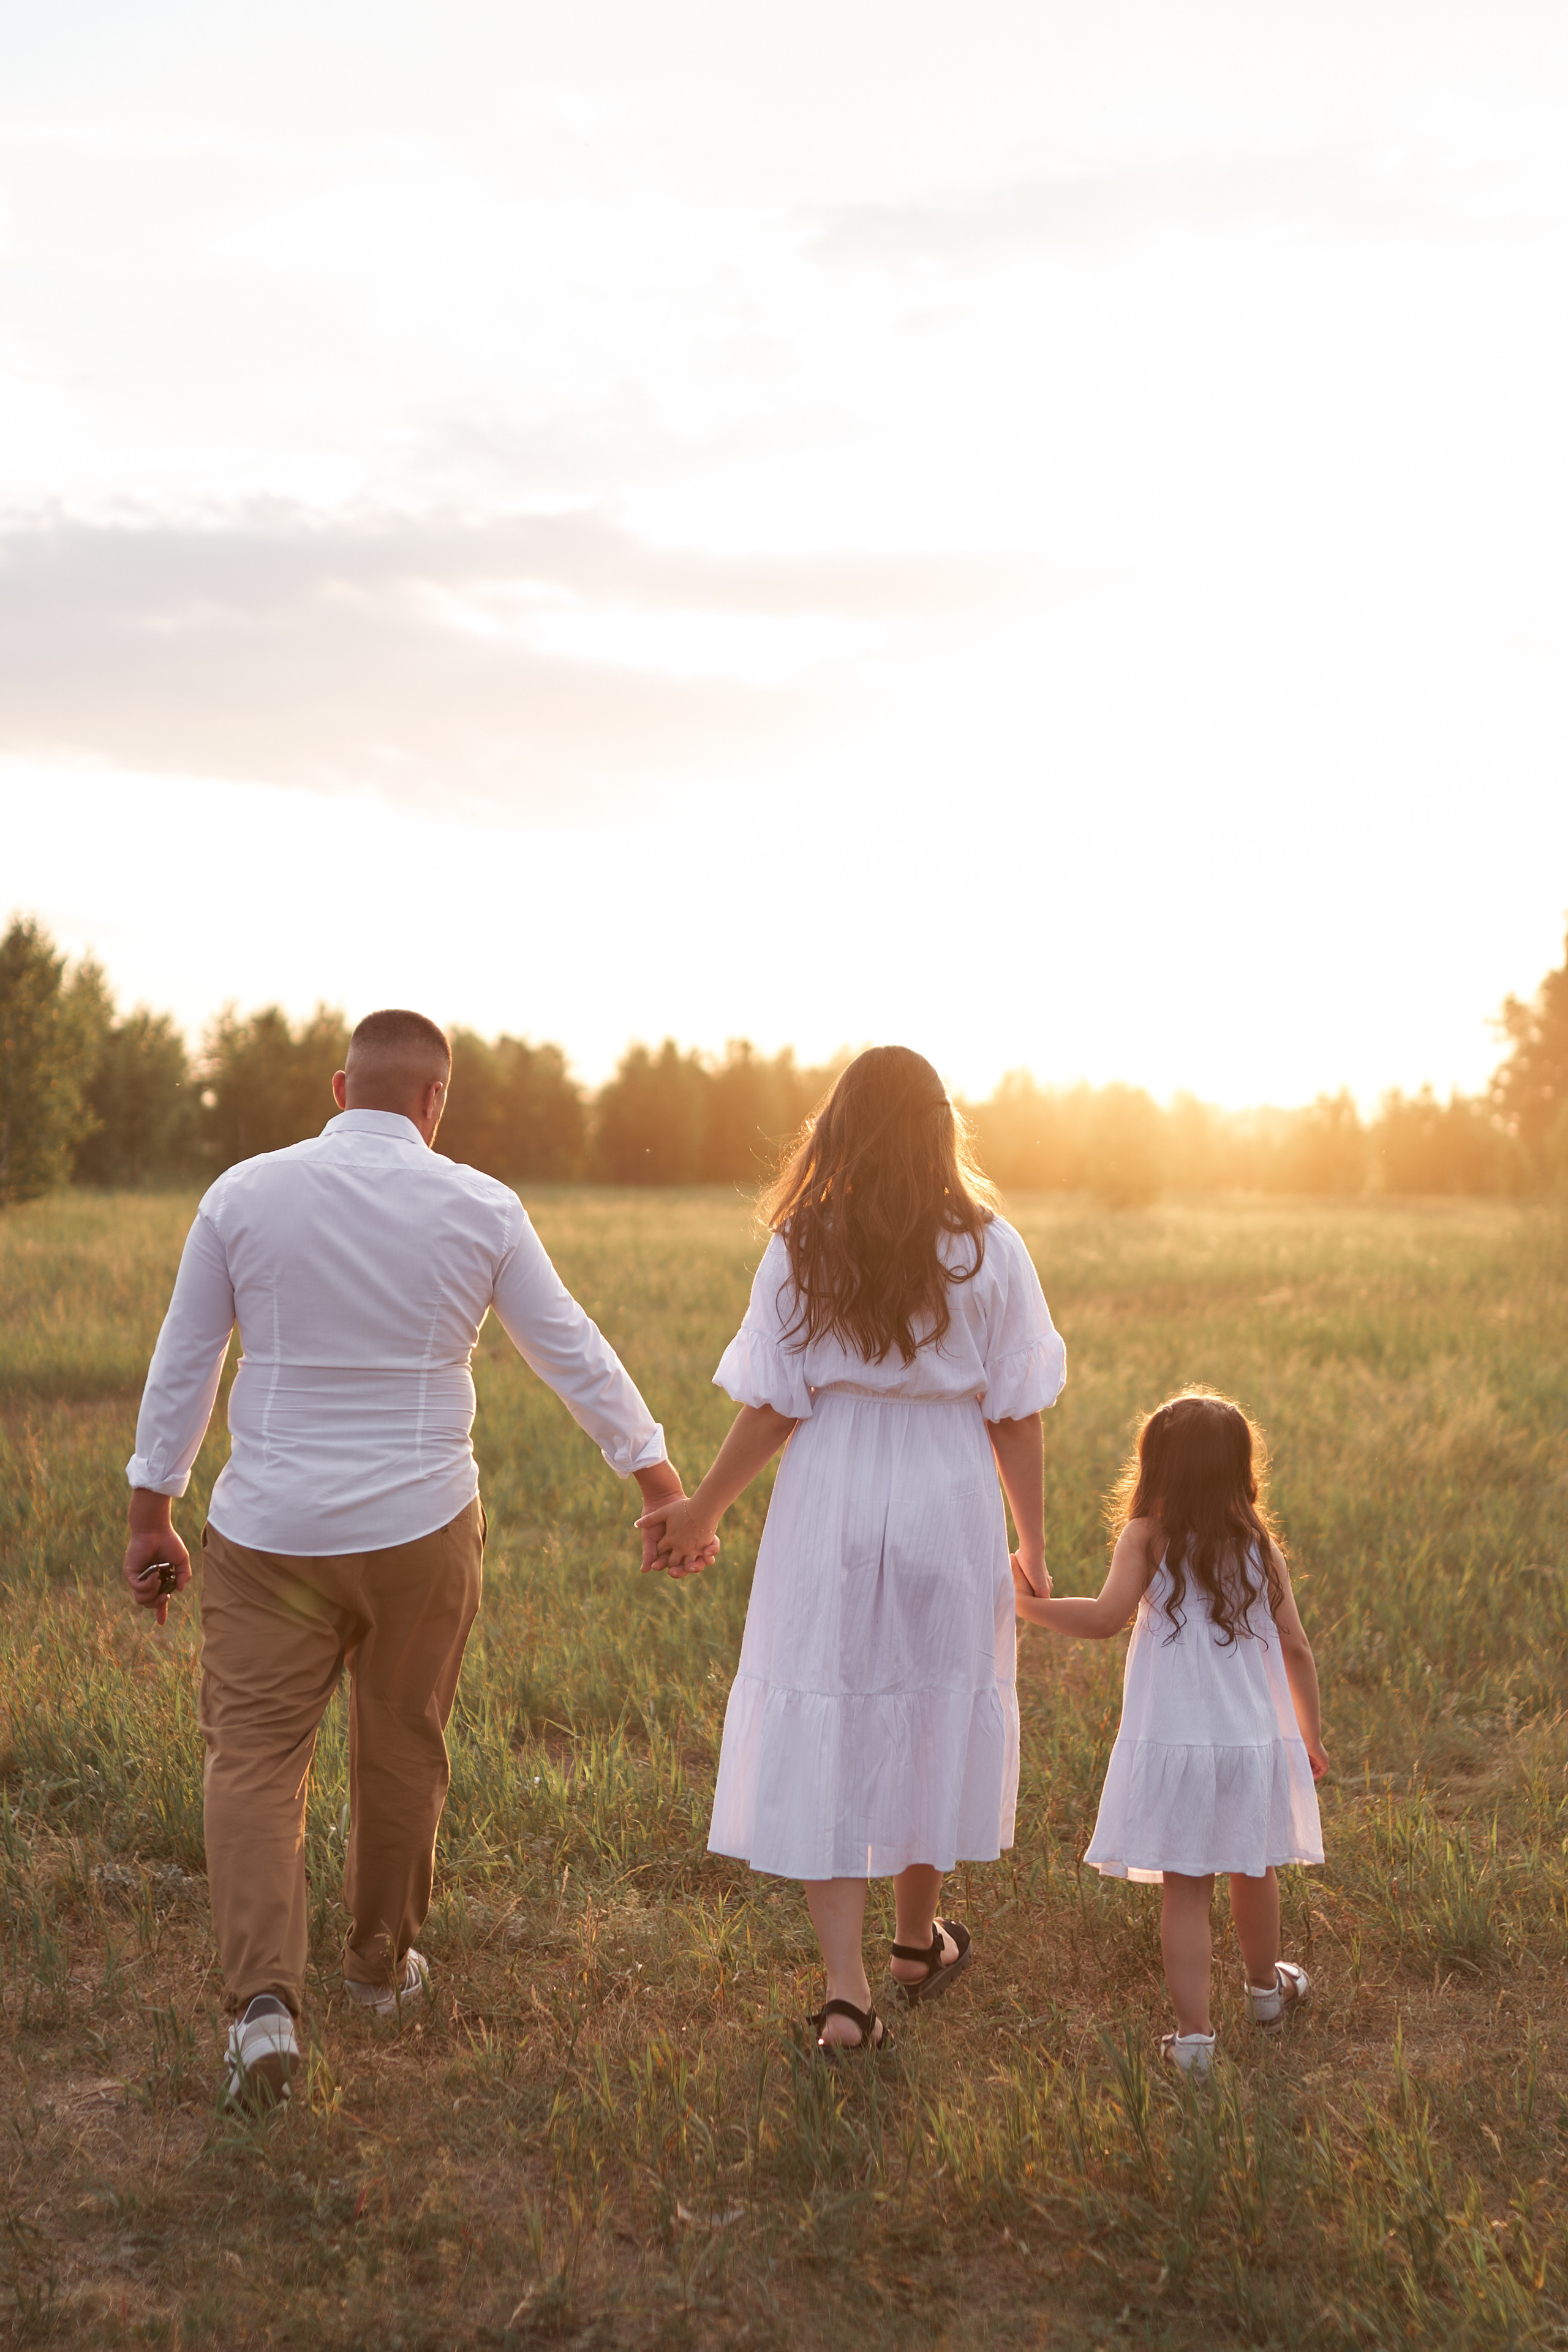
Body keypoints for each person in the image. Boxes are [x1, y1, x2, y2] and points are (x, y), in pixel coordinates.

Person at [122, 1008, 703, 2106]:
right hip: (422, 1530)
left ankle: (262, 2009)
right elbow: (569, 1347)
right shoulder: (480, 1206)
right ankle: (379, 1970)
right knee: (401, 1748)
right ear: (436, 1102)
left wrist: (153, 1512)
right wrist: (660, 1483)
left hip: (267, 1536)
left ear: (341, 1090)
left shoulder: (242, 1195)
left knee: (252, 1761)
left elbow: (186, 1360)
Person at [641, 1046, 1066, 2057]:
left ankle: (849, 1992)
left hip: (830, 1488)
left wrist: (702, 1510)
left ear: (840, 1127)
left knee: (830, 1708)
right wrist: (1034, 1541)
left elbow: (774, 1404)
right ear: (939, 1129)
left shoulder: (801, 1244)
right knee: (930, 1706)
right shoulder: (991, 1248)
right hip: (948, 1489)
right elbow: (1016, 1415)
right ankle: (919, 1941)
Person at [1013, 1389, 1326, 2076]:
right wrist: (1310, 1736)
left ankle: (1193, 2039)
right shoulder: (1259, 1547)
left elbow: (1102, 1619)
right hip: (1249, 1744)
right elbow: (1296, 1648)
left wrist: (1022, 1606)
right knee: (1255, 1866)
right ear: (1239, 1470)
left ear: (1155, 1469)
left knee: (1186, 1888)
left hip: (1176, 1744)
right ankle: (1266, 1993)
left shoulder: (1147, 1537)